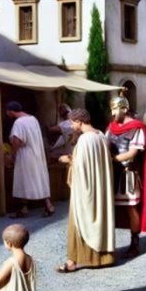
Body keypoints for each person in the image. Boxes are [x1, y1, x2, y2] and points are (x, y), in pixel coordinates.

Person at [56, 109, 115, 272]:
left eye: (72, 123)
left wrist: (67, 160)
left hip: (85, 189)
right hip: (99, 186)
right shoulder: (101, 135)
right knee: (98, 218)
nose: (71, 126)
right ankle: (103, 258)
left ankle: (72, 262)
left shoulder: (84, 140)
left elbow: (80, 166)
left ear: (79, 121)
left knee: (78, 220)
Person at [106, 96, 146, 257]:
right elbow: (104, 145)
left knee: (131, 207)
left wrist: (111, 159)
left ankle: (134, 243)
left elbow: (132, 153)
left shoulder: (137, 128)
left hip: (127, 174)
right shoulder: (111, 127)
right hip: (111, 174)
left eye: (115, 109)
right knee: (109, 208)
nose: (113, 113)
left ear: (124, 109)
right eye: (112, 109)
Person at [6, 101, 55, 218]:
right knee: (39, 178)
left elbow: (17, 141)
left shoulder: (19, 122)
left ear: (10, 111)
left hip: (25, 156)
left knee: (24, 181)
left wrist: (12, 154)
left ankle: (27, 208)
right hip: (37, 154)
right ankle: (46, 205)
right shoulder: (33, 119)